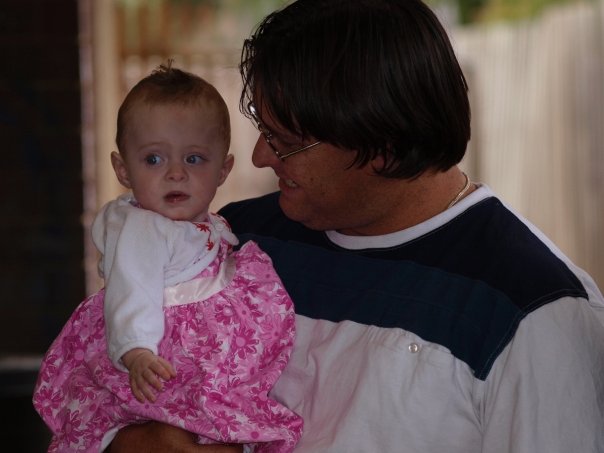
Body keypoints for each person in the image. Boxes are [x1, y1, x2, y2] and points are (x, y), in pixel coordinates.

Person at [108, 0, 604, 452]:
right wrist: (136, 442)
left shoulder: (533, 313)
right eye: (263, 128)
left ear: (383, 145)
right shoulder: (237, 239)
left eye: (286, 142)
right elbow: (105, 382)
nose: (260, 157)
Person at [32, 63, 302, 453]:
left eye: (193, 159)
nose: (175, 174)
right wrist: (136, 350)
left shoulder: (200, 222)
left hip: (188, 342)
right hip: (157, 347)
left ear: (223, 169)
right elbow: (131, 289)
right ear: (123, 170)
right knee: (182, 412)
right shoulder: (141, 229)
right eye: (154, 160)